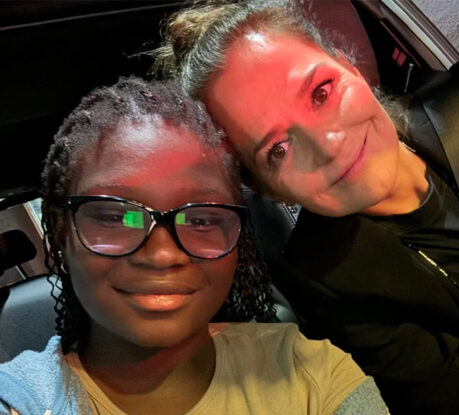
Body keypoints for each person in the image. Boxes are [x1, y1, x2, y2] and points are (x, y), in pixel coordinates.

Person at [154, 0, 459, 414]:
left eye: (321, 93)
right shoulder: (333, 283)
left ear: (350, 67)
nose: (328, 145)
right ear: (271, 190)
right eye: (278, 149)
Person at [0, 78, 389, 415]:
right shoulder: (21, 398)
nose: (162, 255)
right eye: (117, 217)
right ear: (61, 230)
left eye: (201, 220)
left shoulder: (309, 373)